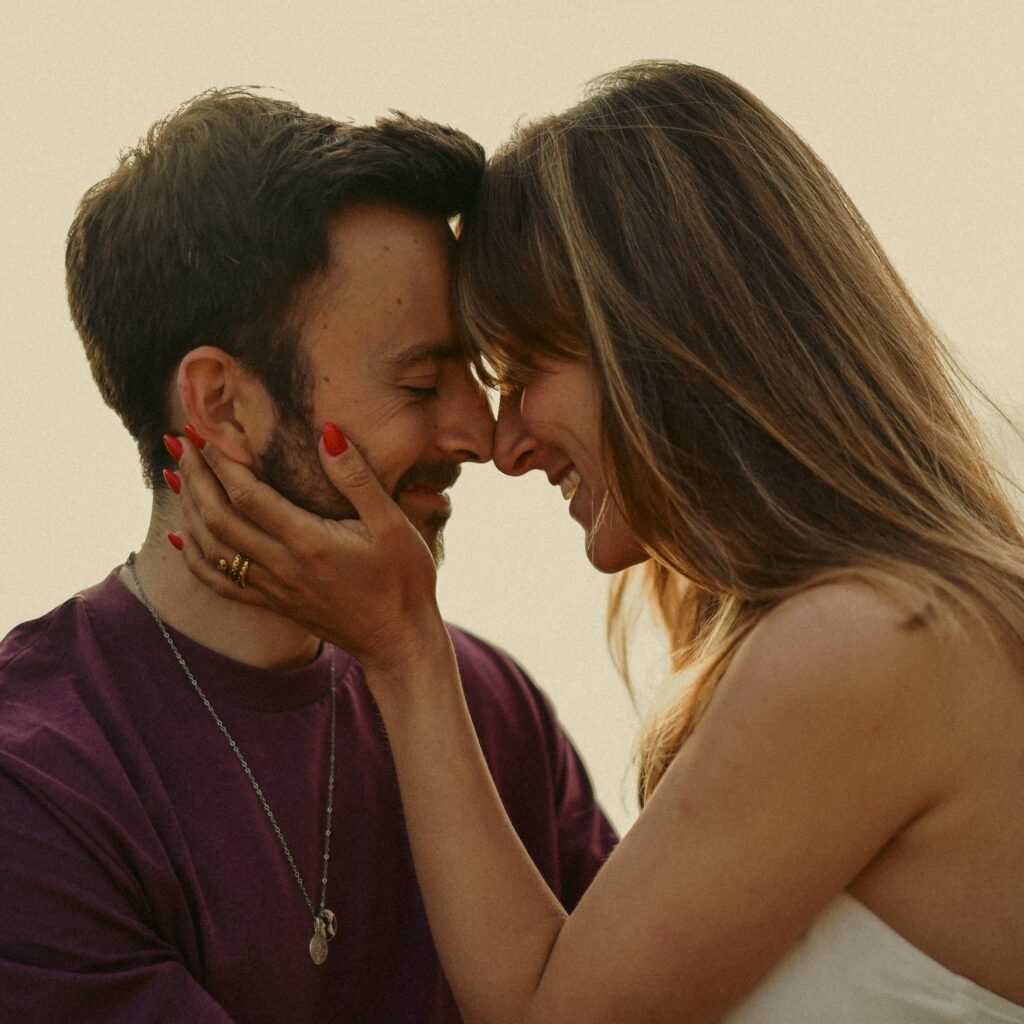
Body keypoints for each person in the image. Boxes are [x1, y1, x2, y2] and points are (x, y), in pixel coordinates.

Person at [171, 61, 1024, 1023]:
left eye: (525, 368)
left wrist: (406, 651)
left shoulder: (866, 644)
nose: (505, 439)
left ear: (663, 340)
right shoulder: (907, 624)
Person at [0, 89, 617, 1023]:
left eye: (477, 375)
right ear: (220, 406)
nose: (482, 435)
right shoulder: (38, 787)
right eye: (420, 381)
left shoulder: (487, 707)